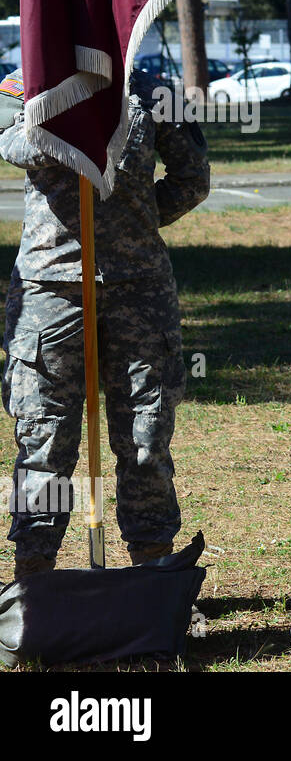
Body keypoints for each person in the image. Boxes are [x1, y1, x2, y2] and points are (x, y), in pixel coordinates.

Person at [0, 69, 209, 580]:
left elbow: (192, 177)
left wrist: (132, 225)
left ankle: (154, 573)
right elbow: (14, 145)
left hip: (137, 288)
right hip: (52, 288)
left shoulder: (156, 91)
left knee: (146, 431)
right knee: (44, 435)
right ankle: (34, 583)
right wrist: (70, 107)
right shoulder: (24, 84)